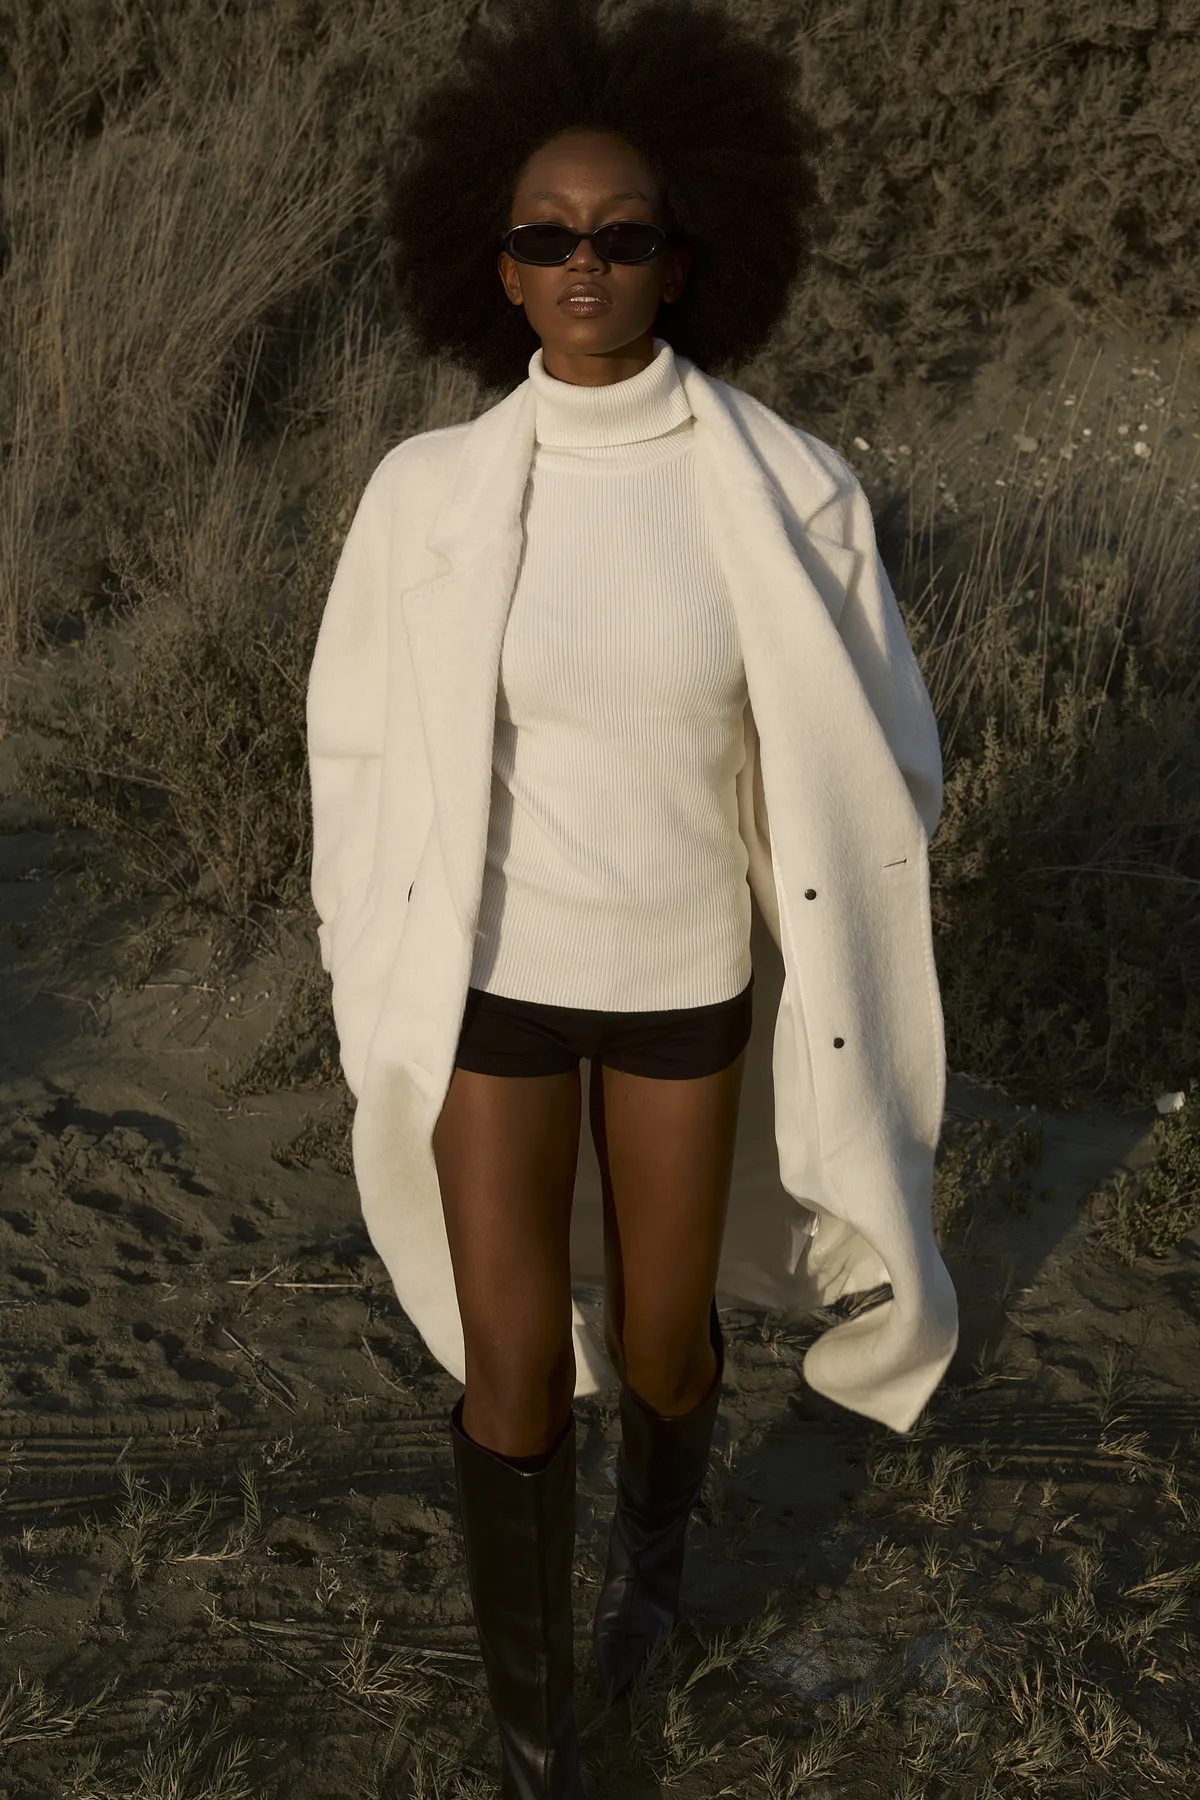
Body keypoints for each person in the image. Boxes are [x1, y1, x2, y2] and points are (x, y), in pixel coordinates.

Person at [308, 0, 956, 1793]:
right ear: (496, 266)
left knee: (666, 1345)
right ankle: (539, 1738)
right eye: (545, 236)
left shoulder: (788, 487)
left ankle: (650, 1588)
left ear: (683, 258)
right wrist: (366, 946)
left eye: (620, 235)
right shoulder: (427, 494)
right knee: (512, 1360)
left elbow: (880, 750)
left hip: (684, 980)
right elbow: (353, 747)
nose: (581, 263)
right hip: (490, 983)